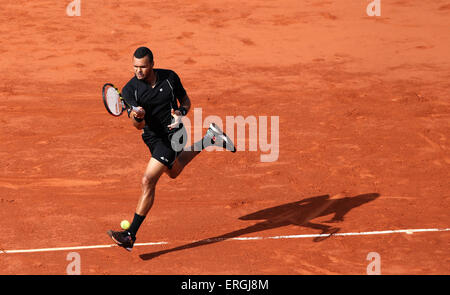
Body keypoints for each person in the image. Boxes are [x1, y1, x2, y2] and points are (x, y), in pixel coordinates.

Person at [107, 47, 236, 251]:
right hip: (151, 137)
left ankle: (130, 235)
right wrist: (138, 117)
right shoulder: (131, 90)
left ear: (152, 64)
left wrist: (181, 112)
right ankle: (210, 138)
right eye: (135, 66)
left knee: (148, 180)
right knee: (174, 172)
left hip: (174, 134)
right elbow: (137, 126)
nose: (138, 71)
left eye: (142, 66)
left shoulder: (170, 78)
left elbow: (185, 101)